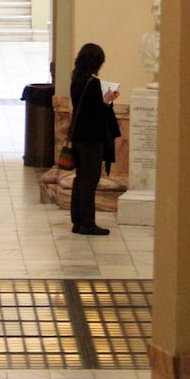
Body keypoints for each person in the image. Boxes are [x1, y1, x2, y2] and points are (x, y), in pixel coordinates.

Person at [68, 42, 121, 236]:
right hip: (92, 138)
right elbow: (96, 114)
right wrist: (107, 101)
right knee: (90, 180)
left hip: (79, 136)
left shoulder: (76, 80)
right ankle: (88, 222)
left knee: (80, 178)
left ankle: (78, 220)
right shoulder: (93, 84)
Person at [140, 0, 161, 89]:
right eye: (156, 9)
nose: (160, 13)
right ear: (152, 11)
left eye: (163, 8)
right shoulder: (145, 40)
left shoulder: (175, 44)